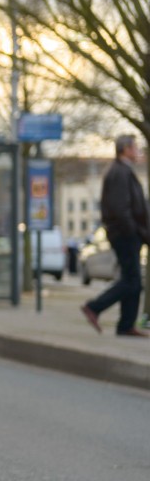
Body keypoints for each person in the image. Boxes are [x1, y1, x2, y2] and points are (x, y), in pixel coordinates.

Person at [81, 134, 150, 337]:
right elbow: (121, 208)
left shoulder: (121, 171)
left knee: (133, 280)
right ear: (126, 149)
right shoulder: (119, 172)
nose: (138, 152)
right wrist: (134, 232)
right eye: (135, 148)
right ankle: (95, 307)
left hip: (127, 233)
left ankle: (125, 325)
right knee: (132, 280)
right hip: (126, 235)